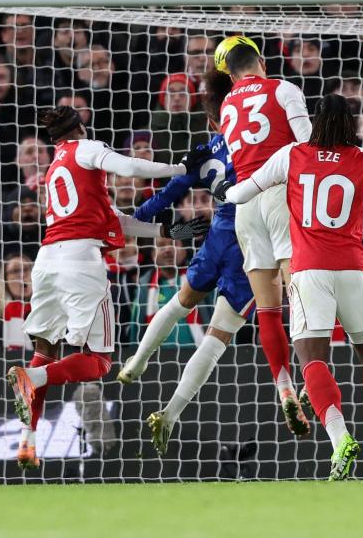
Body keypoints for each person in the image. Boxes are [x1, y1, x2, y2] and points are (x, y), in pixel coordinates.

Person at [216, 94, 363, 480]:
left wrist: (224, 192)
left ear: (314, 122)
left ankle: (340, 440)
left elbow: (243, 191)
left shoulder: (292, 154)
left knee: (312, 359)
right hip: (354, 269)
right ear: (351, 124)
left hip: (308, 273)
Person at [5, 106, 211, 471]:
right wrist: (180, 169)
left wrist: (166, 232)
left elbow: (114, 220)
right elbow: (130, 167)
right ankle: (32, 378)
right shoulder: (84, 148)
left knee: (44, 351)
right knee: (98, 361)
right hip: (80, 262)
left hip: (47, 261)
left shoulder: (56, 168)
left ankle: (27, 441)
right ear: (80, 128)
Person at [117, 71, 257, 455]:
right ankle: (172, 413)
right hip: (252, 245)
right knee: (218, 337)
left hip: (218, 236)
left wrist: (134, 221)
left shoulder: (206, 149)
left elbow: (169, 193)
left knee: (180, 302)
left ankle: (136, 361)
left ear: (212, 120)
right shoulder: (261, 146)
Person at [209, 35, 314, 437]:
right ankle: (310, 378)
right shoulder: (284, 89)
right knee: (303, 292)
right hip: (280, 196)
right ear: (260, 62)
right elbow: (307, 146)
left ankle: (283, 388)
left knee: (267, 308)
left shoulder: (227, 104)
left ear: (229, 73)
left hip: (244, 205)